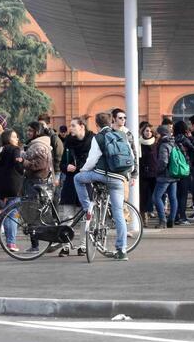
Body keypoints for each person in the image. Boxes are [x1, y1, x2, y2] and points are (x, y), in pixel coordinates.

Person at [74, 112, 132, 261]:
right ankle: (122, 250)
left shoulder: (98, 137)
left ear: (97, 125)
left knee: (78, 179)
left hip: (101, 175)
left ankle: (87, 208)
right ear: (111, 121)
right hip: (119, 178)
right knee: (118, 213)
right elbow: (130, 156)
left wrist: (83, 170)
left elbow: (92, 160)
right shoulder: (122, 135)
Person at [57, 117, 95, 256]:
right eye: (70, 125)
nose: (70, 128)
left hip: (86, 183)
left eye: (73, 125)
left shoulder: (92, 141)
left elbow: (95, 162)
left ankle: (83, 246)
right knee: (67, 216)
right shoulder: (68, 142)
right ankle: (65, 246)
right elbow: (61, 164)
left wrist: (79, 167)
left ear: (82, 126)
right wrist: (66, 167)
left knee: (85, 216)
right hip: (70, 183)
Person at [21, 121, 55, 253]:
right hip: (38, 182)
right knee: (39, 213)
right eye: (28, 130)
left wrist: (23, 162)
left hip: (37, 183)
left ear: (37, 132)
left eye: (31, 130)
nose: (28, 133)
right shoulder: (38, 144)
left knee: (35, 213)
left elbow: (39, 164)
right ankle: (44, 243)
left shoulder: (39, 145)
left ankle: (39, 245)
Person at [0, 129, 24, 252]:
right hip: (15, 187)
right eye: (14, 137)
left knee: (6, 214)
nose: (17, 139)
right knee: (14, 215)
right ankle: (11, 242)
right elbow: (18, 165)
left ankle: (8, 241)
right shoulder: (15, 150)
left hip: (2, 189)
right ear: (8, 139)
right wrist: (22, 165)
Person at [151, 125, 179, 229]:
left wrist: (158, 171)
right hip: (173, 174)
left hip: (164, 176)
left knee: (156, 197)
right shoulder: (173, 142)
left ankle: (162, 220)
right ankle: (171, 220)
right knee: (173, 198)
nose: (155, 135)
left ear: (161, 133)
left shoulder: (163, 144)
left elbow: (163, 161)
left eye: (157, 133)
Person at [172, 120, 194, 225]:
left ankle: (175, 216)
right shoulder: (184, 139)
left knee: (175, 194)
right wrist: (191, 137)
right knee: (183, 194)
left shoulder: (173, 139)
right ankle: (182, 217)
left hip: (174, 169)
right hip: (184, 169)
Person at [138, 122, 159, 223]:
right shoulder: (139, 143)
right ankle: (144, 218)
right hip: (143, 173)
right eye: (146, 131)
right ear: (143, 132)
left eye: (150, 131)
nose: (148, 133)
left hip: (155, 173)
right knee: (143, 196)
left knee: (156, 196)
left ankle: (160, 216)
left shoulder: (156, 143)